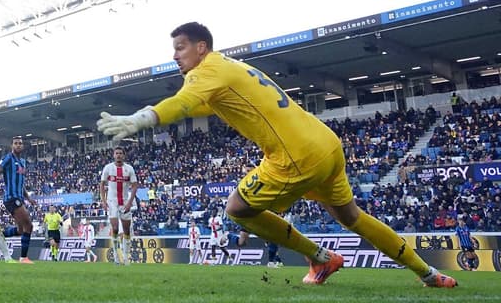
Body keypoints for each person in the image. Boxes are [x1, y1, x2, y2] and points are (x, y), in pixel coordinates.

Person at [96, 22, 456, 287]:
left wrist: (141, 118)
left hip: (295, 156)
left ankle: (321, 257)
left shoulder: (206, 72)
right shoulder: (231, 68)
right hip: (326, 143)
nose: (175, 56)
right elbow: (196, 107)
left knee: (237, 209)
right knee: (352, 217)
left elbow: (183, 102)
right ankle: (429, 274)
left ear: (201, 47)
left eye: (180, 47)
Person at [0, 137, 37, 264]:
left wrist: (28, 198)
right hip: (11, 198)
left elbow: (21, 183)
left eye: (20, 143)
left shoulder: (22, 162)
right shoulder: (8, 158)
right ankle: (23, 258)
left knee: (21, 230)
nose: (18, 145)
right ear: (12, 146)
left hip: (19, 197)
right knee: (29, 225)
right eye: (16, 143)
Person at [99, 146, 138, 266]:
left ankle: (126, 257)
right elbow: (102, 185)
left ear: (124, 155)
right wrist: (103, 201)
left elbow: (135, 185)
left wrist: (130, 202)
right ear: (114, 155)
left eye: (121, 153)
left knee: (126, 230)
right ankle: (116, 256)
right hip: (112, 201)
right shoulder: (108, 168)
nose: (119, 155)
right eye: (117, 153)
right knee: (115, 228)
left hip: (125, 201)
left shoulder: (129, 169)